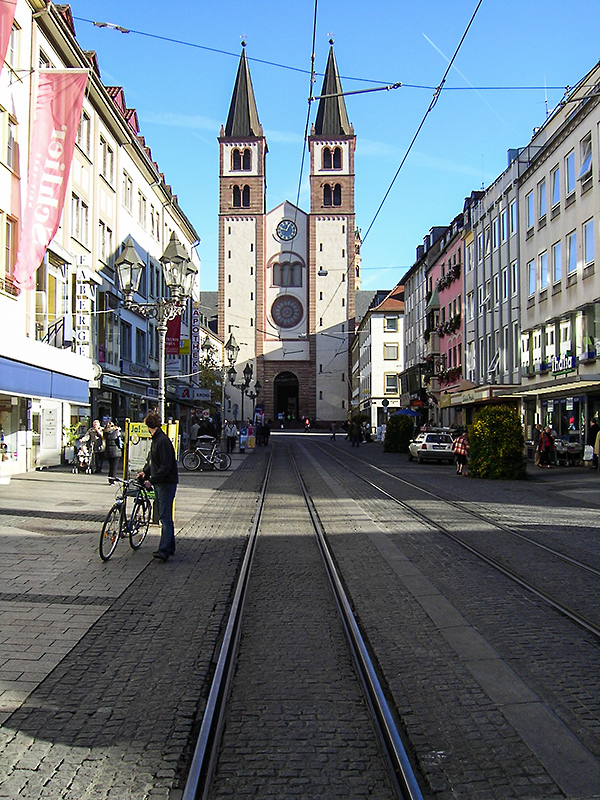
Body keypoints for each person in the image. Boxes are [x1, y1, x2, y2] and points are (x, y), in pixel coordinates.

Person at [138, 411, 178, 562]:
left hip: (165, 483)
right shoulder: (158, 439)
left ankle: (164, 550)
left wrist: (152, 480)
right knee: (166, 516)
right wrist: (145, 472)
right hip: (164, 482)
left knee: (164, 517)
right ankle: (170, 546)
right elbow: (154, 462)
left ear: (149, 425)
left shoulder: (161, 441)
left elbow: (165, 466)